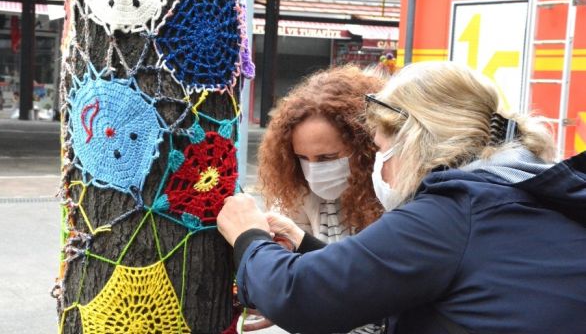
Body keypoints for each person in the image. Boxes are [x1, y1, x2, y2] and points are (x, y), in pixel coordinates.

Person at [218, 61, 586, 334]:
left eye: (380, 149)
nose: (380, 165)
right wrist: (304, 247)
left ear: (413, 141)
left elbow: (299, 295)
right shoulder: (520, 191)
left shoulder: (456, 211)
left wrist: (249, 236)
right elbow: (386, 287)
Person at [245, 65, 386, 333]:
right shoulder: (299, 188)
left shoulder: (394, 194)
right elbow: (302, 280)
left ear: (366, 148)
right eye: (302, 158)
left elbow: (372, 285)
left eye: (327, 158)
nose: (314, 170)